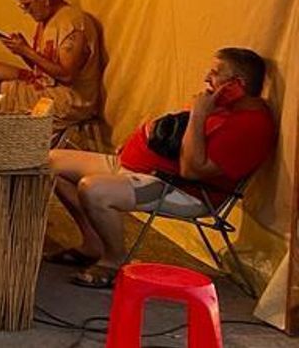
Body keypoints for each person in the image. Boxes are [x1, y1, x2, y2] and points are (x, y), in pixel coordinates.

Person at [47, 47, 276, 289]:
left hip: (180, 189)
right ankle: (92, 244)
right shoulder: (224, 106)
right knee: (49, 163)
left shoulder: (252, 126)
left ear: (236, 84)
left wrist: (198, 115)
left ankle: (114, 261)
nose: (207, 78)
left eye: (215, 73)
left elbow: (192, 171)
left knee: (94, 190)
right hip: (138, 168)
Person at [0, 0, 101, 126]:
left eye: (28, 5)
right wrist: (21, 51)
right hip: (47, 84)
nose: (26, 12)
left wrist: (27, 51)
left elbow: (67, 76)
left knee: (1, 88)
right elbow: (41, 68)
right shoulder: (46, 21)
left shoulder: (73, 23)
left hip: (68, 98)